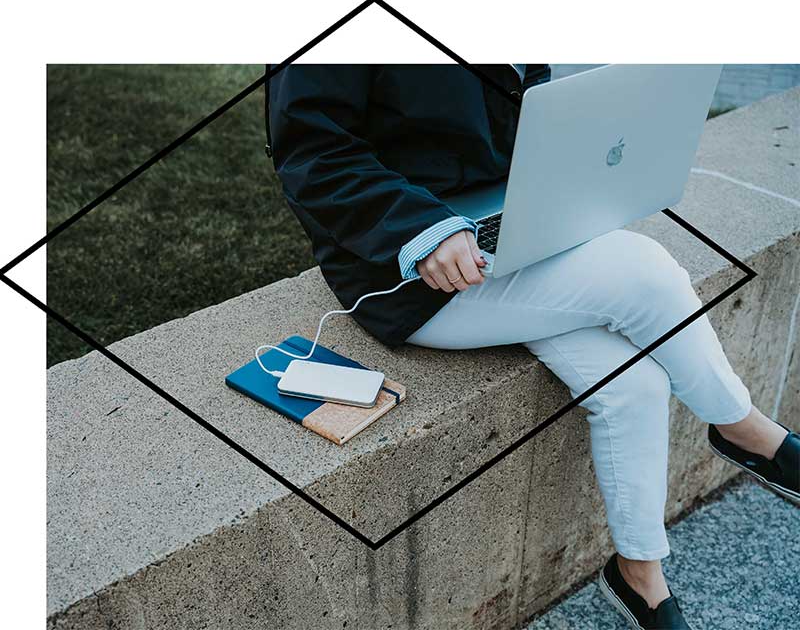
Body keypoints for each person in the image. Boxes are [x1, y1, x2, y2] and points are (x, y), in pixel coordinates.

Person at [267, 64, 798, 630]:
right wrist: (421, 230)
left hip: (512, 226)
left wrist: (565, 181)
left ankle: (638, 573)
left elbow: (520, 104)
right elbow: (311, 150)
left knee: (635, 382)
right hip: (412, 268)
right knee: (646, 272)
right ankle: (744, 430)